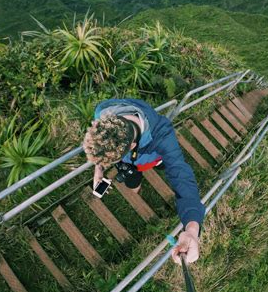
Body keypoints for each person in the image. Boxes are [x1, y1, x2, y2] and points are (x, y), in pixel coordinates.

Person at [83, 98, 205, 264]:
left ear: (133, 146)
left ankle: (145, 179)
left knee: (166, 167)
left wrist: (192, 229)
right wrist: (98, 168)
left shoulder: (163, 135)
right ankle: (136, 189)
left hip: (155, 159)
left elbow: (181, 176)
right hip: (130, 165)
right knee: (133, 185)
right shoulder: (102, 112)